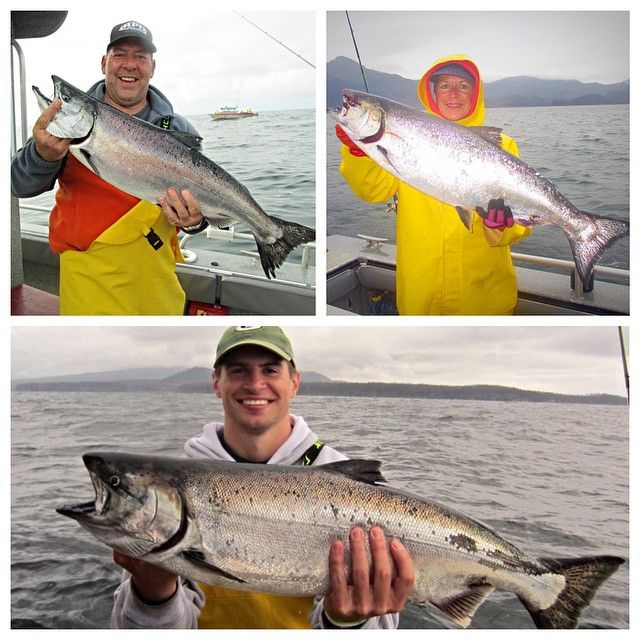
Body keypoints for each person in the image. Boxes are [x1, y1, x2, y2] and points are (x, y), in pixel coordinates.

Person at [110, 326, 415, 629]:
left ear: (294, 382)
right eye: (239, 371)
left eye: (270, 370)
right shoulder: (173, 489)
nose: (255, 384)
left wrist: (346, 623)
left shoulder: (345, 482)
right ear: (217, 382)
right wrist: (153, 594)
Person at [11, 20, 208, 315]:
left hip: (156, 287)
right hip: (87, 285)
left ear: (152, 67)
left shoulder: (178, 129)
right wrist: (43, 155)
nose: (130, 65)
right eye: (119, 55)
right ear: (104, 63)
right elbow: (17, 183)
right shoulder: (66, 120)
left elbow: (202, 213)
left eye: (140, 57)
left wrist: (194, 222)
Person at [335, 53, 532, 315]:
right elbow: (373, 191)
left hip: (483, 298)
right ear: (433, 93)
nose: (453, 94)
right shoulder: (405, 137)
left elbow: (523, 217)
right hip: (420, 295)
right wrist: (360, 153)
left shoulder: (502, 145)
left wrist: (500, 227)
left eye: (463, 86)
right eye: (444, 86)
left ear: (475, 94)